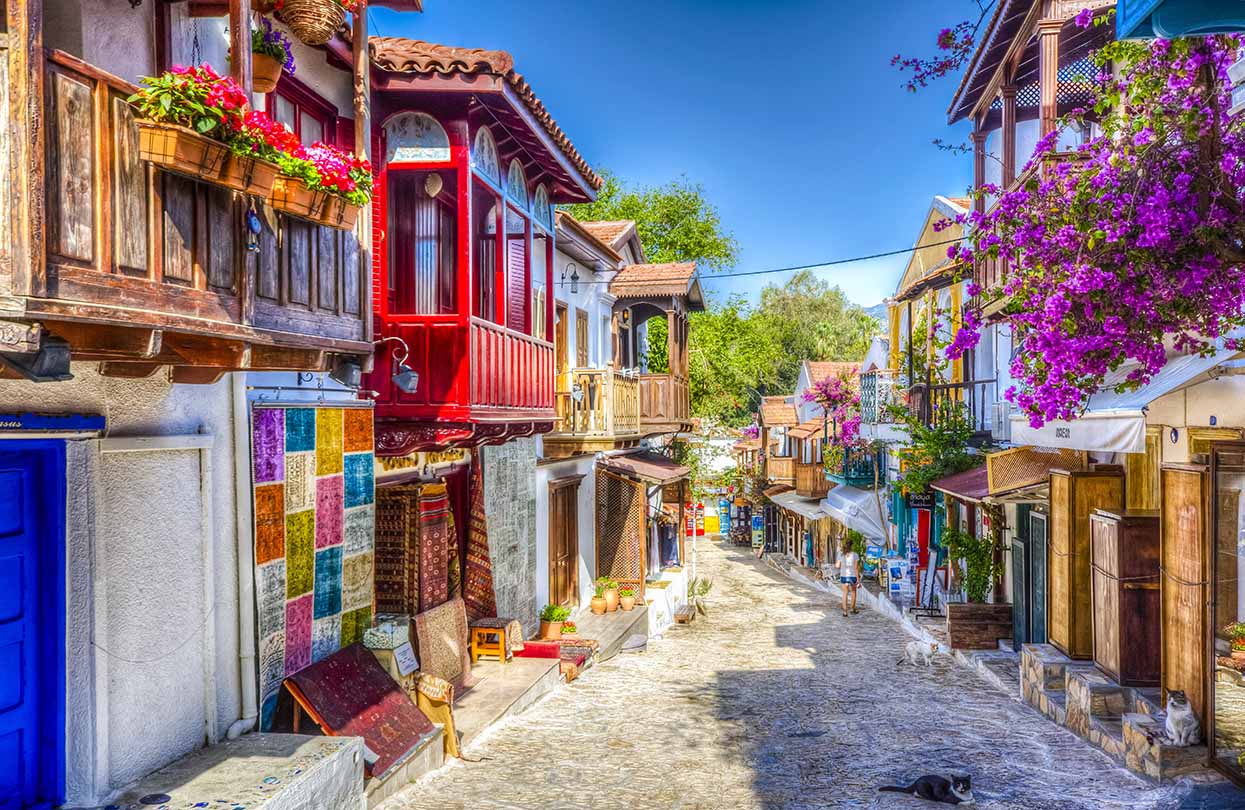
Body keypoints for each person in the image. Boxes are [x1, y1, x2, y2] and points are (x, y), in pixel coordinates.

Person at [839, 539, 861, 617]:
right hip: (852, 576)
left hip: (844, 576)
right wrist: (858, 580)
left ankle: (845, 612)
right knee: (853, 592)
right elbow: (856, 568)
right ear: (852, 546)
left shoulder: (841, 554)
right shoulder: (855, 555)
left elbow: (837, 565)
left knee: (845, 593)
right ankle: (852, 609)